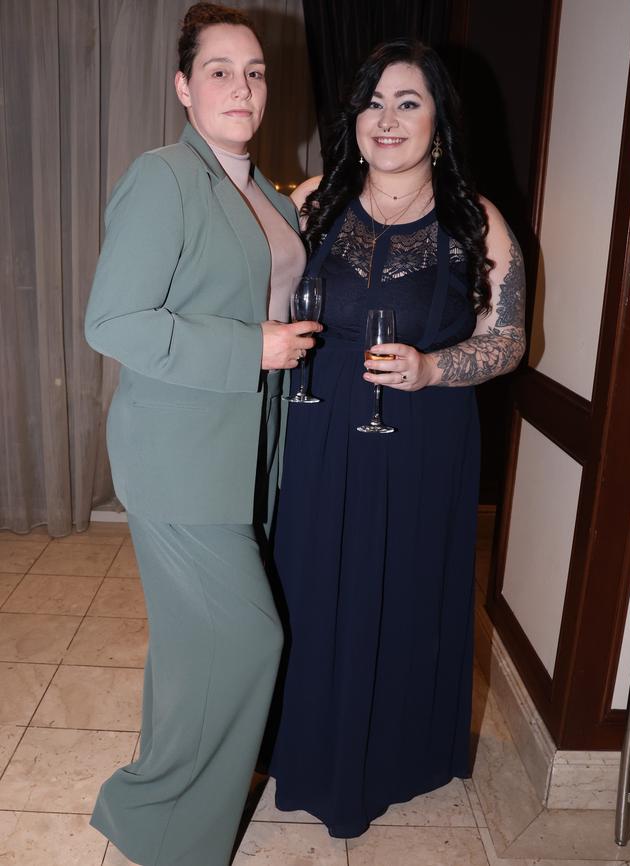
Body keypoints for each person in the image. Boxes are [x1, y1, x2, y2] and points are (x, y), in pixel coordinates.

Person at [269, 38, 525, 838]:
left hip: (420, 435)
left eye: (408, 103)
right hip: (316, 432)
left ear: (439, 123)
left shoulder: (475, 220)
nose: (387, 120)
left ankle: (392, 755)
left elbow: (510, 339)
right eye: (374, 103)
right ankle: (301, 744)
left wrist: (433, 368)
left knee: (400, 592)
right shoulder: (311, 200)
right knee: (308, 589)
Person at [84, 4, 319, 865]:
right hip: (180, 456)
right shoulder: (164, 177)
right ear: (184, 87)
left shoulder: (264, 193)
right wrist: (249, 346)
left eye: (254, 71)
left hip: (248, 447)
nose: (241, 86)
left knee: (193, 647)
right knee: (247, 637)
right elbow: (112, 322)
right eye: (219, 69)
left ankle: (156, 793)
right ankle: (162, 826)